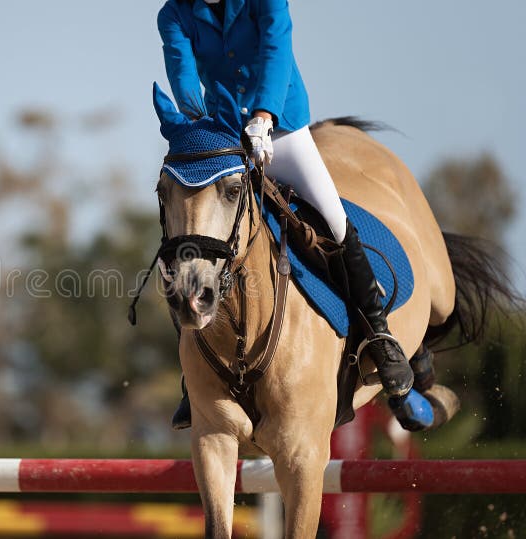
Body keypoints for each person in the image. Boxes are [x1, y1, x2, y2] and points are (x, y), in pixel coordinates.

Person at [158, 0, 434, 431]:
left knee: (333, 222)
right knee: (191, 238)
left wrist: (264, 116)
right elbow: (183, 78)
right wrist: (200, 127)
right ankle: (192, 379)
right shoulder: (174, 14)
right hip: (225, 138)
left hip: (282, 129)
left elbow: (275, 50)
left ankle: (383, 343)